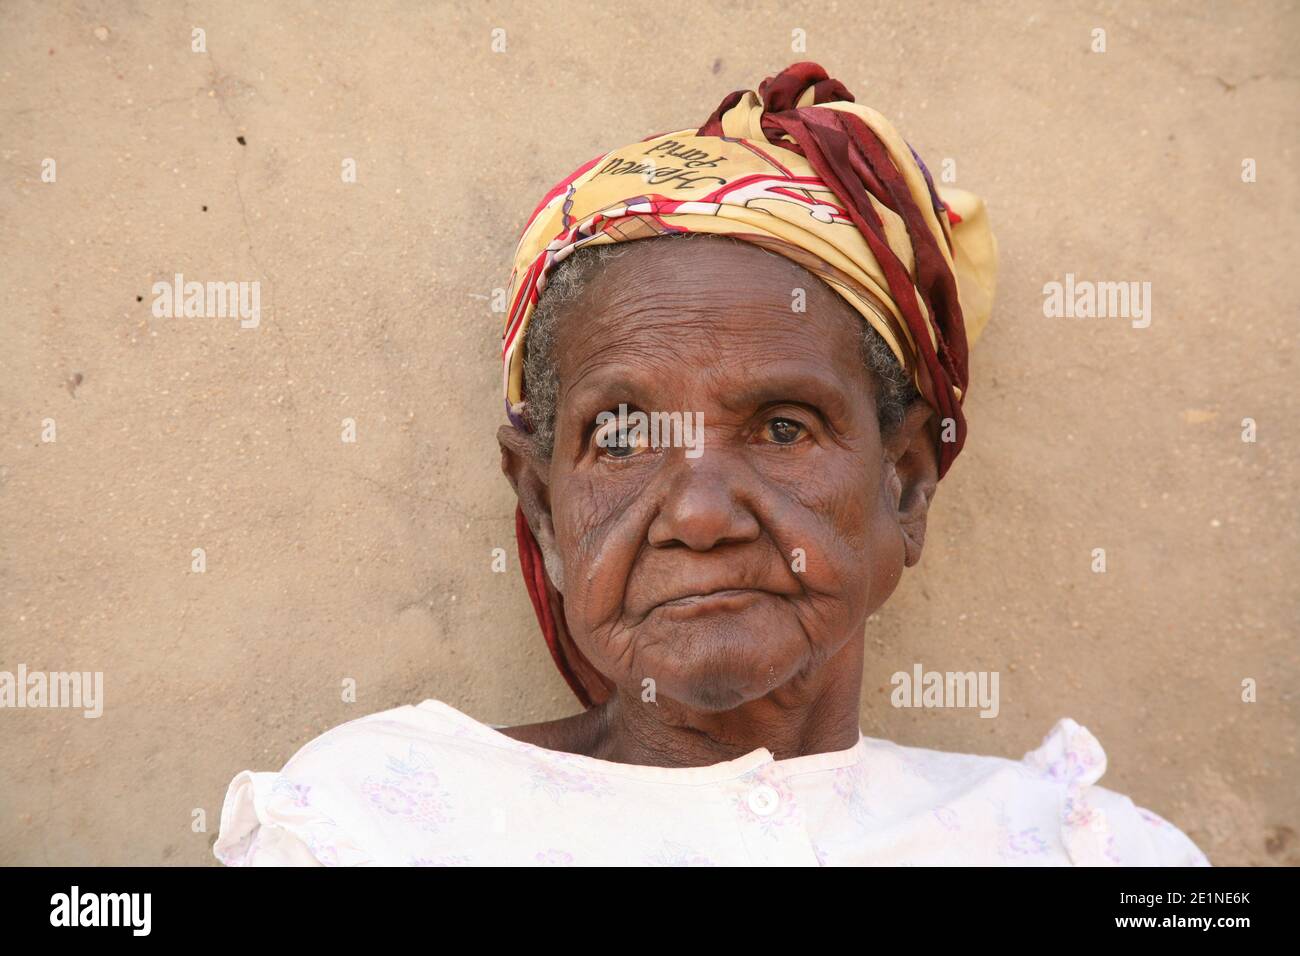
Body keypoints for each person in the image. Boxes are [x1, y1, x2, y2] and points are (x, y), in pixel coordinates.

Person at [214, 62, 1208, 866]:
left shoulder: (1084, 848)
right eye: (623, 434)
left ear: (904, 483)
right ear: (544, 506)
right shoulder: (375, 823)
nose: (698, 514)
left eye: (781, 427)